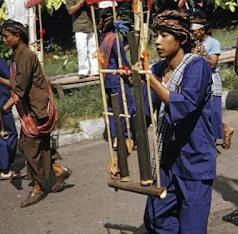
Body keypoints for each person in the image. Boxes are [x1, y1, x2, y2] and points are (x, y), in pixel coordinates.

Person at [109, 10, 215, 233]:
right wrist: (123, 152)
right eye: (156, 35)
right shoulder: (158, 69)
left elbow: (185, 105)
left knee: (192, 227)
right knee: (155, 218)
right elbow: (145, 114)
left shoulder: (197, 66)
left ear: (182, 38)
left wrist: (150, 79)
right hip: (167, 158)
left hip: (195, 159)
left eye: (164, 35)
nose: (157, 41)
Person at [0, 20, 72, 207]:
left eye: (6, 36)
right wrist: (4, 109)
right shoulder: (19, 55)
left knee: (29, 148)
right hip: (34, 109)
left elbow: (19, 87)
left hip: (37, 111)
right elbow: (20, 90)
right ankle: (57, 170)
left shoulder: (25, 56)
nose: (4, 40)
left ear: (17, 36)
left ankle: (39, 187)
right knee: (40, 147)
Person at [190, 12, 234, 149]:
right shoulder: (191, 44)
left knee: (214, 112)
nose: (191, 34)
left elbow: (213, 64)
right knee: (204, 112)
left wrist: (199, 57)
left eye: (193, 31)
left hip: (212, 79)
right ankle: (223, 130)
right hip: (198, 81)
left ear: (202, 30)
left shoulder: (213, 43)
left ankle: (224, 131)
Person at [99, 11, 135, 150]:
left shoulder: (104, 38)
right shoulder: (115, 39)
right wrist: (131, 71)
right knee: (128, 106)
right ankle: (125, 137)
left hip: (107, 79)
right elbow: (122, 61)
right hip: (116, 79)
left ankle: (114, 137)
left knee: (112, 109)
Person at [66, 0, 99, 79]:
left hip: (91, 25)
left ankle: (95, 70)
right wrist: (81, 3)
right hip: (79, 26)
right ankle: (83, 71)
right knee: (82, 50)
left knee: (94, 49)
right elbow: (70, 11)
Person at [0, 58, 18, 180]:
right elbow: (13, 83)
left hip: (3, 105)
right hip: (3, 106)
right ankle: (5, 169)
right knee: (9, 136)